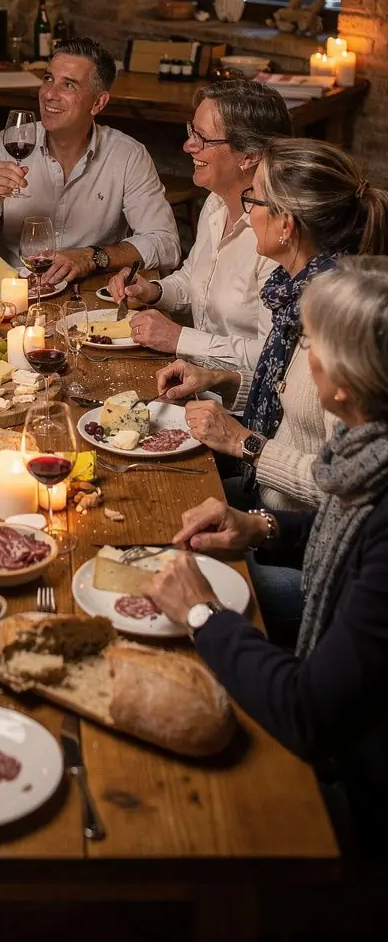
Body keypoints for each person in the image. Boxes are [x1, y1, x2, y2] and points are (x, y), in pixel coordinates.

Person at [151, 258, 388, 855]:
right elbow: (341, 529)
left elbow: (307, 711)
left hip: (360, 791)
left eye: (311, 344)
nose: (300, 360)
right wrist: (258, 526)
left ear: (342, 385)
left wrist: (203, 614)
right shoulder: (365, 456)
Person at [157, 140, 388, 513]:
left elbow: (346, 488)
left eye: (254, 199)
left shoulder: (336, 322)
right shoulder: (293, 290)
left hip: (290, 522)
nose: (247, 213)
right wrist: (220, 379)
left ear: (286, 224)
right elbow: (292, 402)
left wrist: (242, 443)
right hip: (262, 491)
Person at [0, 37, 180, 282]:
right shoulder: (4, 146)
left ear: (98, 102)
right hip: (18, 292)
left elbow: (166, 244)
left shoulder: (128, 156)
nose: (49, 94)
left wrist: (91, 257)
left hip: (91, 292)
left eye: (68, 85)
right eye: (48, 79)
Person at [107, 79, 291, 373]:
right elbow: (194, 278)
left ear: (249, 156)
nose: (188, 146)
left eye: (202, 138)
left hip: (236, 396)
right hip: (193, 380)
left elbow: (275, 356)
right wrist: (153, 291)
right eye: (191, 132)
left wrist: (178, 338)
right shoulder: (216, 203)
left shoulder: (279, 236)